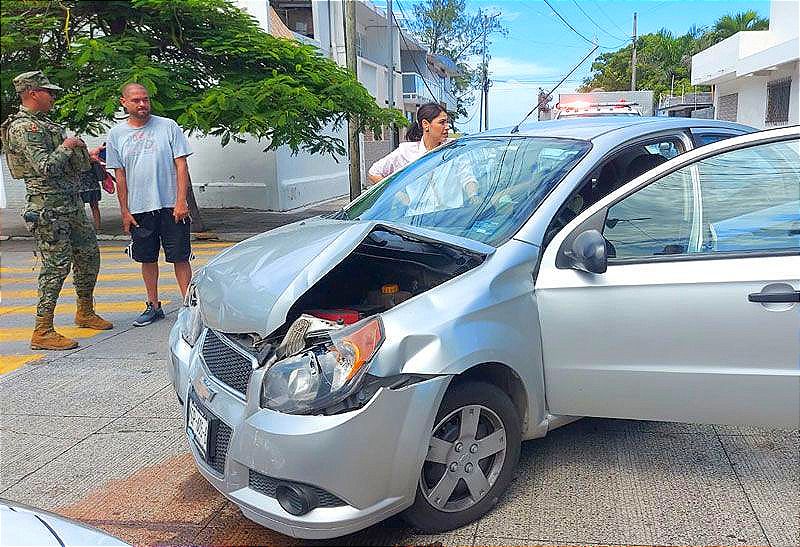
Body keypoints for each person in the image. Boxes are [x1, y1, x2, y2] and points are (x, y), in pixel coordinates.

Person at [0, 70, 113, 350]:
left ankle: (85, 311)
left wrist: (86, 156)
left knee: (89, 256)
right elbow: (45, 167)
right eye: (48, 92)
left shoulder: (44, 124)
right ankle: (42, 330)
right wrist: (67, 146)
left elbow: (61, 163)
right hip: (47, 208)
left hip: (70, 203)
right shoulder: (23, 128)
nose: (53, 96)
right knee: (55, 267)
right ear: (32, 93)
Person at [105, 82, 193, 327]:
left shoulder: (168, 126)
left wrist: (180, 201)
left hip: (171, 206)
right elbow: (120, 175)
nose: (142, 104)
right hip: (139, 209)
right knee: (147, 258)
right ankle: (153, 306)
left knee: (180, 256)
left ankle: (189, 308)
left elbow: (181, 165)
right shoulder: (116, 134)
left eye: (145, 99)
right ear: (124, 102)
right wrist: (124, 211)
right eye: (136, 100)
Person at [367, 102, 450, 184]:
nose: (447, 127)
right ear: (425, 124)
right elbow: (374, 172)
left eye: (447, 122)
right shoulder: (406, 152)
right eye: (442, 122)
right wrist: (398, 191)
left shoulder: (452, 149)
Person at [79, 146, 105, 230]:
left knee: (83, 208)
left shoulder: (77, 159)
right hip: (91, 185)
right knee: (94, 207)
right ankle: (97, 228)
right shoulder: (90, 158)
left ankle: (90, 227)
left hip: (83, 186)